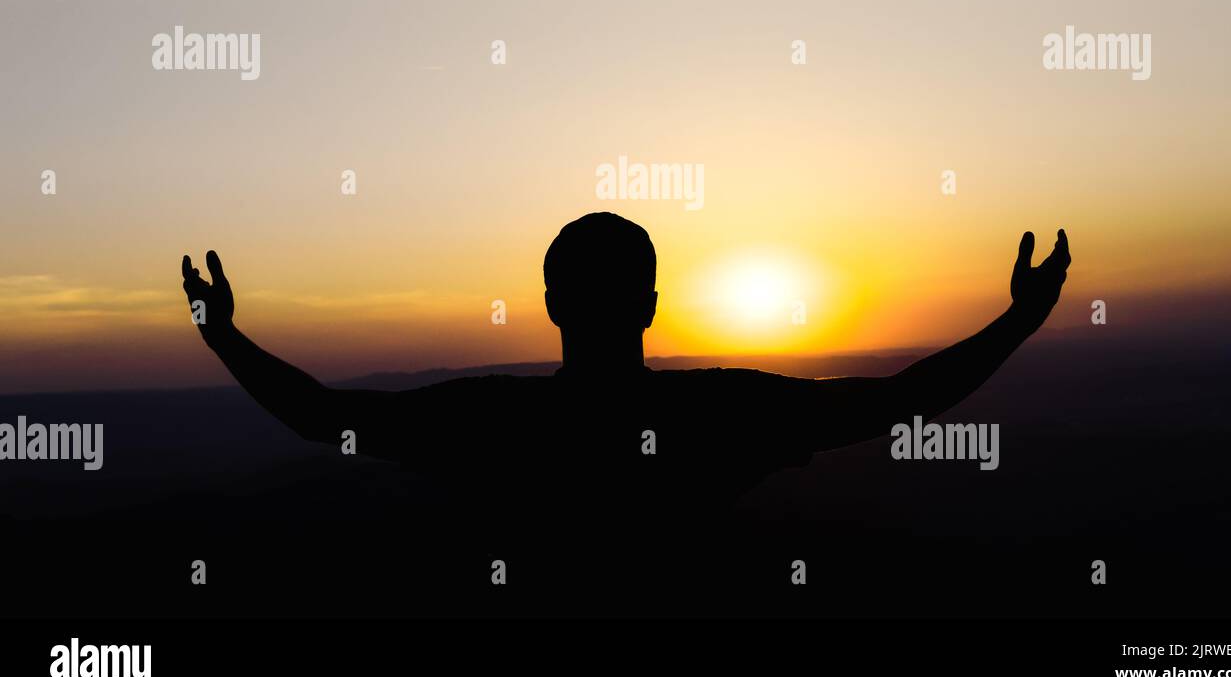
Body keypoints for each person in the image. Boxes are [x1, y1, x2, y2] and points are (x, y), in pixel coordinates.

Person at [181, 212, 1069, 521]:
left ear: (552, 306)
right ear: (650, 307)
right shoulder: (721, 414)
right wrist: (1019, 322)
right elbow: (898, 401)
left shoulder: (494, 421)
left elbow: (320, 415)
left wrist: (221, 332)